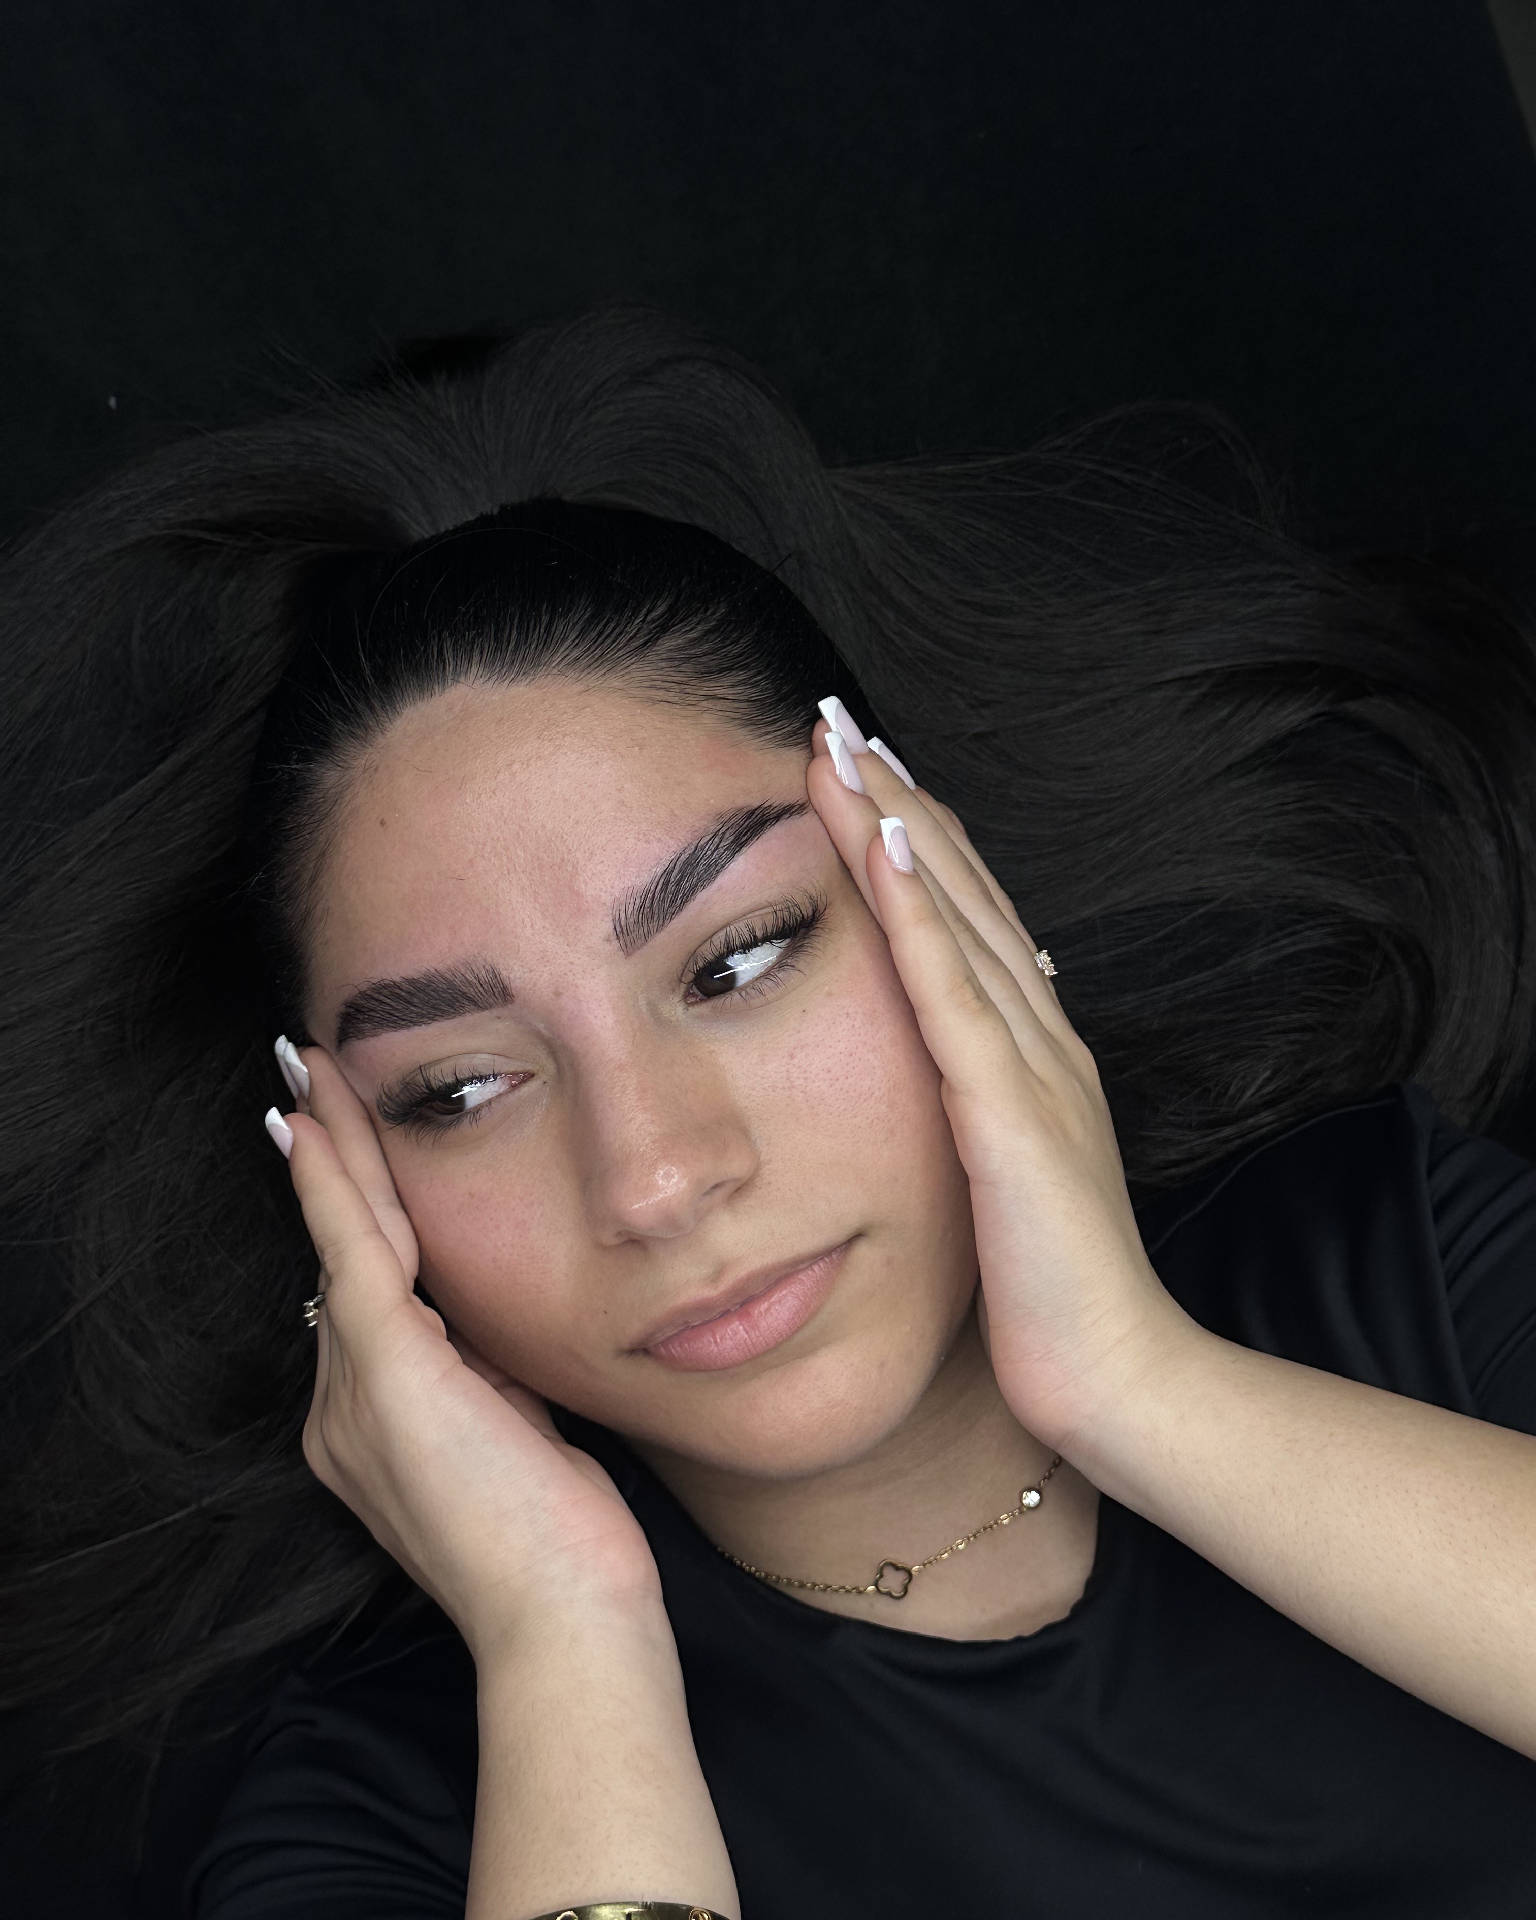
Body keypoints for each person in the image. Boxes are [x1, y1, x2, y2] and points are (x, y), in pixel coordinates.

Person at [1, 301, 1535, 1920]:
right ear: (343, 1188)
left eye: (736, 961)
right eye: (462, 1087)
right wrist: (568, 1636)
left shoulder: (1405, 1267)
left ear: (941, 888)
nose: (657, 1176)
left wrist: (1139, 1387)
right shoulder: (399, 1812)